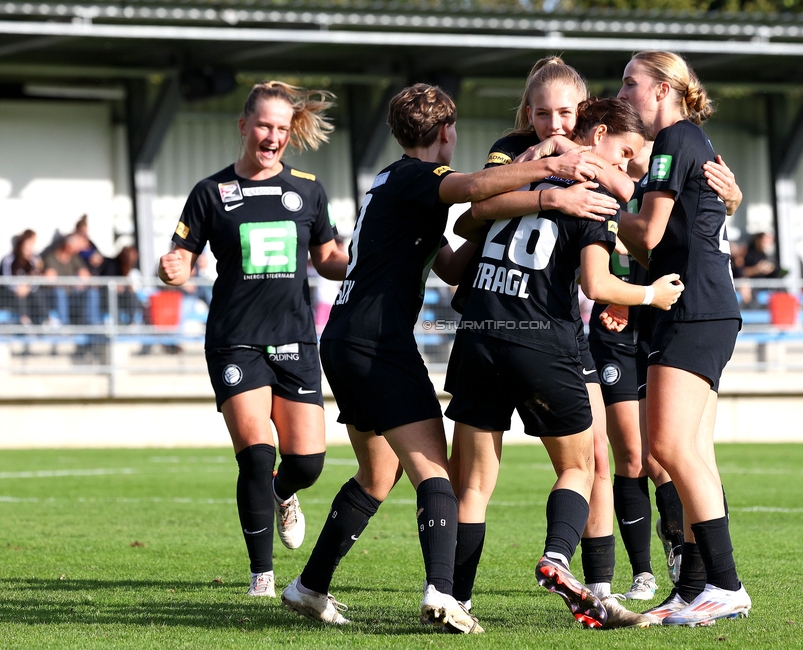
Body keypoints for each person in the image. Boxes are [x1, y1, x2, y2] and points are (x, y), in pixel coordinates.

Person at [281, 83, 604, 634]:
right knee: (437, 472)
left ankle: (308, 587)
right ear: (445, 132)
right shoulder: (418, 177)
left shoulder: (388, 180)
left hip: (343, 338)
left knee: (376, 474)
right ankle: (442, 593)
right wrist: (552, 181)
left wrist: (491, 225)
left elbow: (452, 268)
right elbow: (476, 186)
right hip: (378, 343)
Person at [447, 97, 684, 630]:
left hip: (479, 331)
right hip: (542, 338)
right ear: (597, 135)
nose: (624, 166)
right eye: (623, 153)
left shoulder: (511, 170)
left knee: (475, 485)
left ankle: (453, 598)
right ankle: (558, 558)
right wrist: (651, 296)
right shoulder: (592, 192)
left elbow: (472, 216)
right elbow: (597, 284)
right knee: (583, 465)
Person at [157, 80, 349, 598]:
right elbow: (181, 256)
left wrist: (367, 257)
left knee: (306, 463)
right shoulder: (210, 192)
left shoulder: (308, 188)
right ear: (244, 126)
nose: (273, 137)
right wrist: (172, 266)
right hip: (234, 340)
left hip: (295, 339)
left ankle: (284, 495)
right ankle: (261, 578)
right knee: (257, 453)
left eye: (282, 128)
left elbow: (328, 259)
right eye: (264, 125)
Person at [614, 50, 751, 627]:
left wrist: (599, 201)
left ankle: (726, 584)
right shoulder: (688, 143)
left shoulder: (675, 139)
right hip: (701, 310)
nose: (622, 95)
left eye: (631, 84)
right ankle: (695, 587)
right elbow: (687, 226)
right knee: (693, 452)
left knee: (665, 451)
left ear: (665, 89)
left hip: (695, 310)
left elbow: (646, 234)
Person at [2, 229, 43, 326]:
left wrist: (28, 287)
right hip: (12, 293)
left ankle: (44, 320)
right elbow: (6, 279)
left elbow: (36, 280)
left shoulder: (34, 260)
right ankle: (24, 321)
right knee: (20, 295)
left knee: (37, 294)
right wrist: (18, 287)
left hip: (29, 292)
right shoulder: (9, 259)